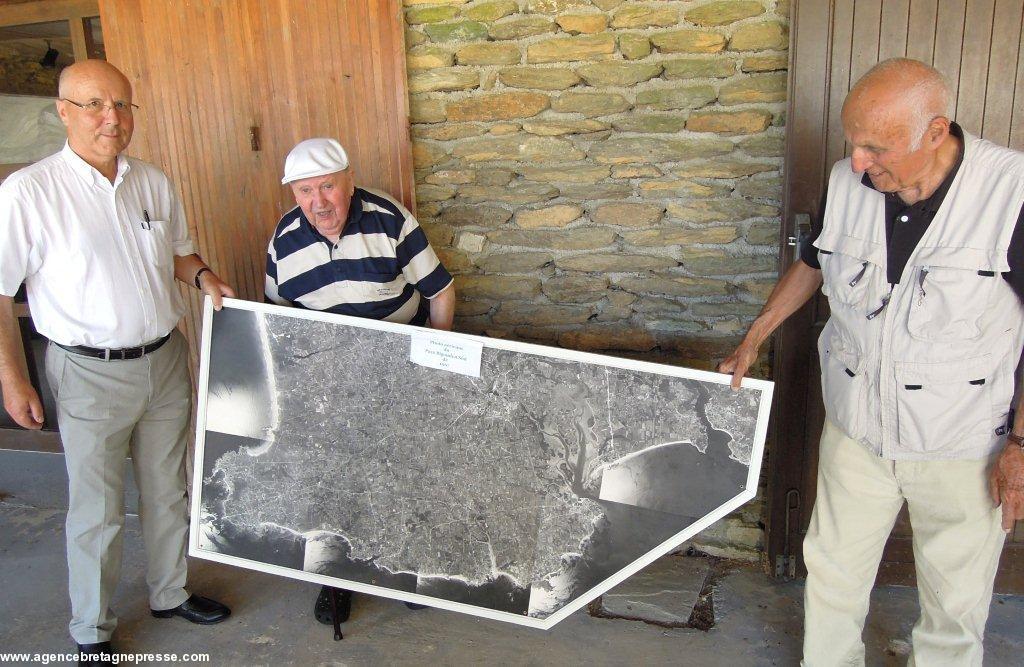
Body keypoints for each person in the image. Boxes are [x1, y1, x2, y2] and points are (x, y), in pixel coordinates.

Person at [719, 57, 1024, 666]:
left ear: (936, 132)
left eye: (875, 148)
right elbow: (814, 262)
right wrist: (756, 336)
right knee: (831, 570)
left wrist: (1022, 442)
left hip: (962, 438)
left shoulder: (1011, 191)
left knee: (954, 596)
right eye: (852, 142)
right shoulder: (847, 180)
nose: (857, 162)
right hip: (857, 427)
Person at [0, 60, 235, 664]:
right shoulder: (28, 192)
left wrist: (204, 277)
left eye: (123, 105)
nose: (113, 119)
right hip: (87, 373)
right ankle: (92, 629)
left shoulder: (152, 181)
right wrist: (13, 378)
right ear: (63, 110)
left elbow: (179, 254)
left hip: (163, 360)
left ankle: (169, 592)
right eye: (95, 105)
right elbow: (1, 294)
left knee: (168, 489)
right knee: (97, 509)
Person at [264, 137, 455, 626]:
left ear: (349, 180)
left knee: (409, 468)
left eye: (328, 186)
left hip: (399, 361)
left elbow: (441, 289)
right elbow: (278, 320)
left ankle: (413, 567)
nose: (319, 201)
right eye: (305, 191)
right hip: (330, 373)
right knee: (335, 478)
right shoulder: (284, 242)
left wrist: (435, 360)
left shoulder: (390, 220)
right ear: (294, 194)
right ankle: (336, 579)